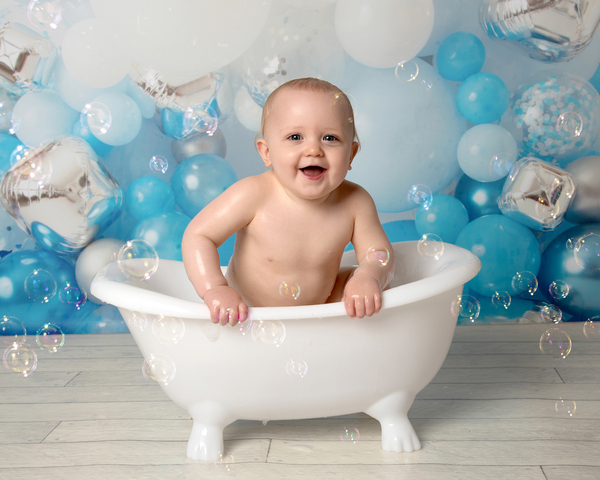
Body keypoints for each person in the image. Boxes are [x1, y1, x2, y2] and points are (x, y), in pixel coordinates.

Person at [182, 78, 394, 326]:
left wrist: (369, 275)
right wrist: (214, 289)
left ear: (351, 155)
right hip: (247, 312)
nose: (314, 149)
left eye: (330, 138)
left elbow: (378, 254)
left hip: (322, 309)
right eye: (295, 137)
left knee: (375, 288)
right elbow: (199, 235)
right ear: (267, 152)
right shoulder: (252, 194)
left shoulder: (355, 202)